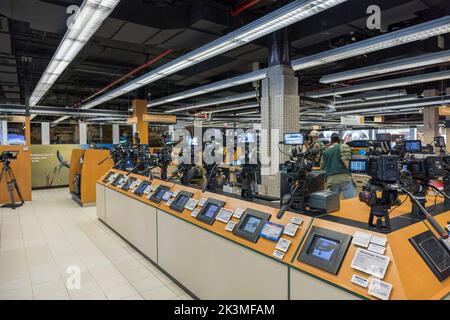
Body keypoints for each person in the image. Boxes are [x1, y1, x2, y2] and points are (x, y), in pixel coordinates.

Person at [320, 133, 356, 199]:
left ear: (331, 141)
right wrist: (352, 176)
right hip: (345, 179)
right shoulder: (344, 146)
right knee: (352, 201)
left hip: (331, 180)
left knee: (332, 205)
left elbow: (322, 167)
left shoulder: (325, 151)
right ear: (339, 140)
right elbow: (347, 163)